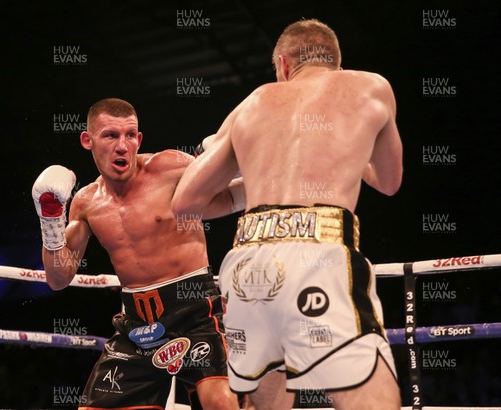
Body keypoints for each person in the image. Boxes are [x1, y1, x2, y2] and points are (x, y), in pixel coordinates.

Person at [172, 19, 403, 410]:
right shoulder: (370, 85)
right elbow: (389, 180)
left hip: (245, 264)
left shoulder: (254, 102)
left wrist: (258, 178)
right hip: (318, 254)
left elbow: (185, 202)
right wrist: (347, 149)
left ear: (282, 65)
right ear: (338, 65)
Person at [31, 98, 244, 409]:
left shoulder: (169, 167)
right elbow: (59, 278)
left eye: (130, 135)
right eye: (111, 135)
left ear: (139, 139)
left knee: (220, 401)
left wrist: (227, 156)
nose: (122, 145)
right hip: (137, 326)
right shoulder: (85, 203)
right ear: (87, 140)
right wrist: (50, 219)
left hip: (196, 312)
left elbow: (230, 194)